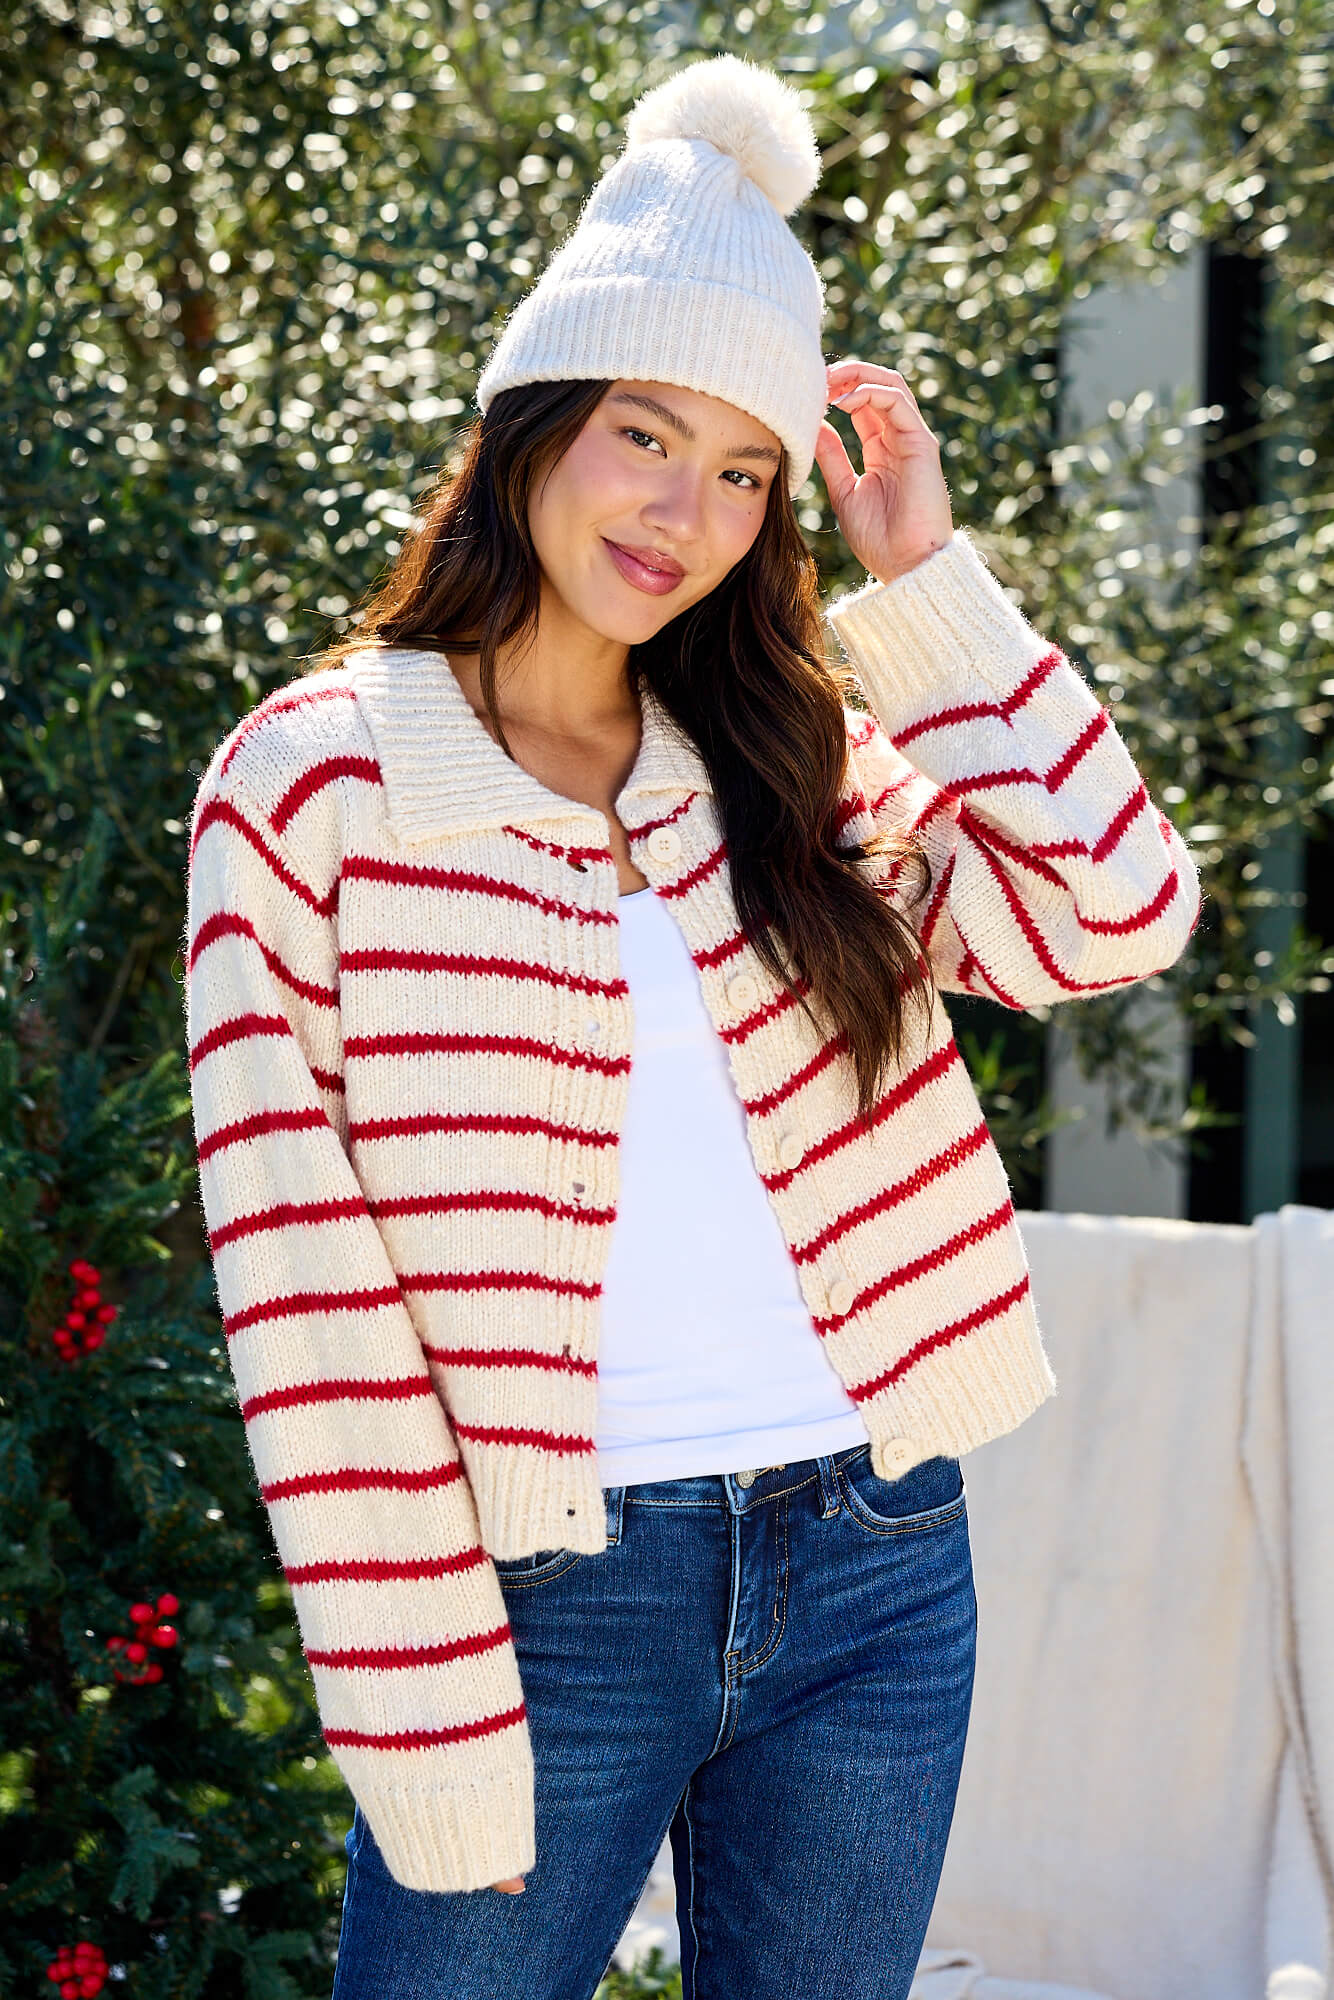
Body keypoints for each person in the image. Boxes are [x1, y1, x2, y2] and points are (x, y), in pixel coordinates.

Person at [183, 52, 1203, 2000]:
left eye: (741, 469)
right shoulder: (314, 789)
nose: (686, 506)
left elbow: (1113, 915)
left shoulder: (791, 765)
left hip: (877, 1557)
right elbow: (308, 1298)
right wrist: (426, 1723)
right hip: (544, 1599)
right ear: (531, 424)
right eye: (645, 433)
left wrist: (930, 578)